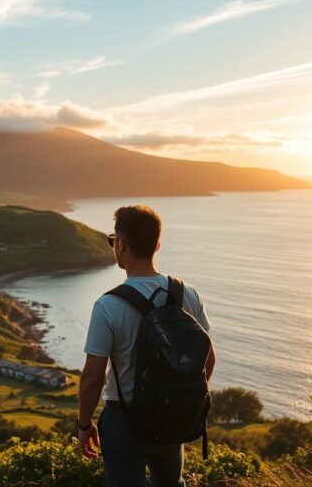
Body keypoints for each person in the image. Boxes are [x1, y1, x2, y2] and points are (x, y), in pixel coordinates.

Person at [77, 205, 214, 487]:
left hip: (123, 419)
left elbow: (92, 379)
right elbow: (207, 359)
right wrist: (178, 396)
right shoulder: (187, 293)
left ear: (121, 245)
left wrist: (84, 425)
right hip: (171, 414)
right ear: (158, 244)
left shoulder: (107, 305)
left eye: (113, 240)